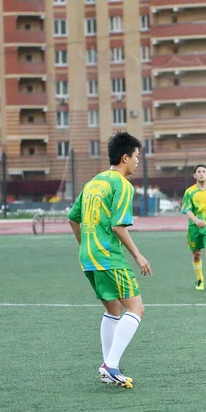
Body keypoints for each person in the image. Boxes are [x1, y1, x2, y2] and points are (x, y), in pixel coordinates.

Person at [68, 132, 152, 389]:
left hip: (88, 257)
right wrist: (138, 255)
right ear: (125, 157)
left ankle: (108, 364)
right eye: (136, 156)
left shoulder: (93, 182)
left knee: (113, 310)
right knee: (136, 309)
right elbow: (118, 226)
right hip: (108, 257)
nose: (138, 161)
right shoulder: (122, 185)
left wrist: (85, 245)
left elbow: (73, 217)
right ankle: (110, 366)